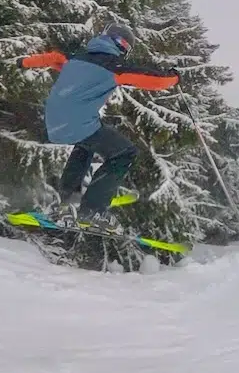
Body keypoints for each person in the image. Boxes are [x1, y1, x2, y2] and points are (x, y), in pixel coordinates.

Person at [18, 23, 179, 224]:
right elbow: (154, 80)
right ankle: (92, 210)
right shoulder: (114, 66)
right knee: (124, 153)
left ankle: (67, 199)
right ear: (123, 46)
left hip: (54, 122)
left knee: (86, 144)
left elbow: (52, 58)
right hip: (79, 122)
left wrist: (24, 62)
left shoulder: (75, 57)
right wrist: (174, 78)